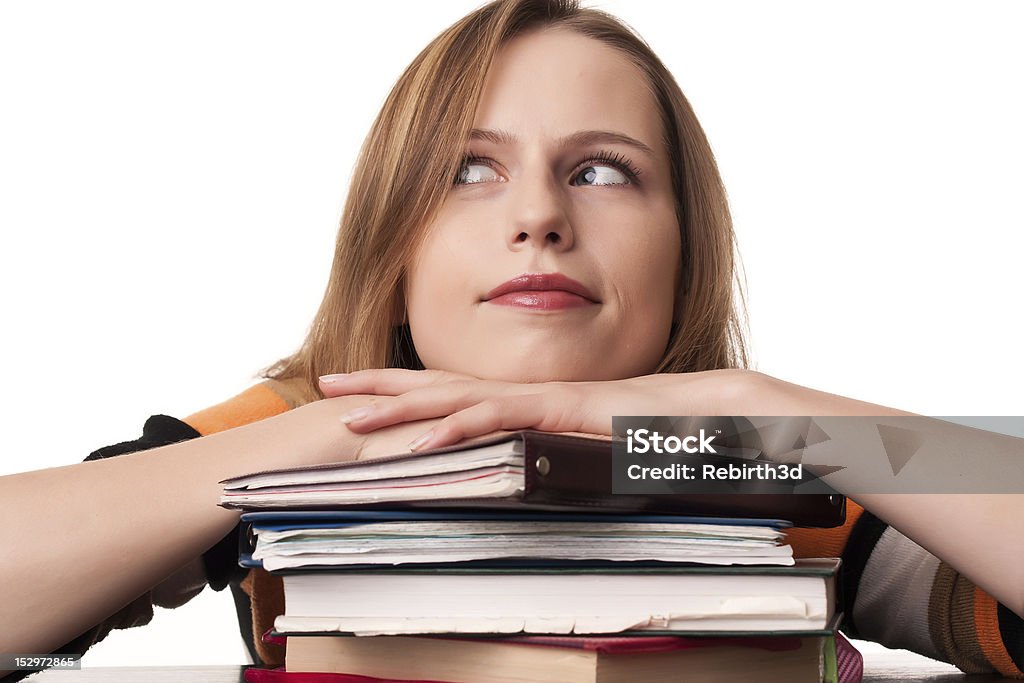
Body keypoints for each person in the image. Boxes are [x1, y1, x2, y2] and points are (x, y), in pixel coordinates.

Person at [2, 0, 1021, 679]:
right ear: (391, 237)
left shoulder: (764, 464)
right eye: (468, 169)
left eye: (602, 170)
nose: (537, 215)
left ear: (684, 244)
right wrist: (328, 440)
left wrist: (769, 415)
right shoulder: (286, 426)